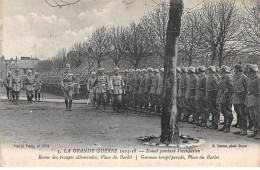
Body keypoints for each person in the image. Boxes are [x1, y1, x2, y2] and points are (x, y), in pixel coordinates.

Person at [244, 64, 260, 139]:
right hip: (250, 99)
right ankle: (254, 131)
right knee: (252, 117)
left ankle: (258, 133)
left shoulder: (258, 78)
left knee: (257, 117)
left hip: (256, 99)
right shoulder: (250, 78)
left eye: (250, 70)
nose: (249, 72)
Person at [232, 64, 249, 136]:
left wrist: (242, 95)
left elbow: (247, 89)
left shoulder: (244, 78)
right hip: (236, 98)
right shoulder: (235, 77)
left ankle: (244, 130)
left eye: (235, 69)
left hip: (242, 98)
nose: (234, 70)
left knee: (243, 114)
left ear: (238, 69)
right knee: (238, 113)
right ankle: (240, 128)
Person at [218, 66, 233, 133]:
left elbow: (231, 89)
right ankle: (225, 125)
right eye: (222, 72)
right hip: (222, 95)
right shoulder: (222, 78)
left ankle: (228, 126)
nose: (222, 73)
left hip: (227, 96)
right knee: (223, 111)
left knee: (228, 112)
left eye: (224, 72)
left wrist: (228, 96)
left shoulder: (228, 78)